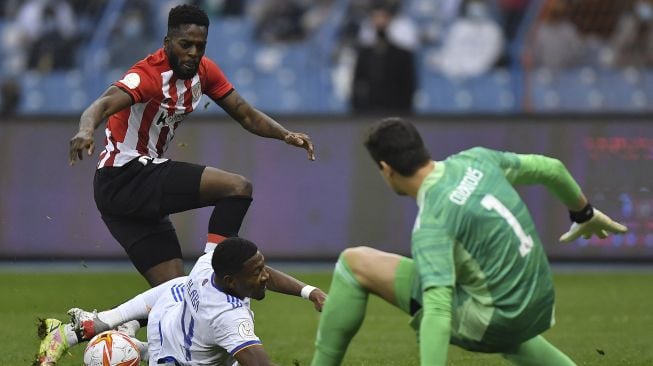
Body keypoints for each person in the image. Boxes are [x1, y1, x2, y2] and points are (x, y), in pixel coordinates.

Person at [310, 117, 628, 366]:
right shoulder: (477, 160)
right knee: (486, 290)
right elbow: (553, 169)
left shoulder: (433, 221)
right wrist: (584, 214)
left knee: (354, 264)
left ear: (386, 169)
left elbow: (437, 311)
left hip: (498, 320)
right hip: (541, 298)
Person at [68, 4, 315, 288]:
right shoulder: (148, 75)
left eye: (200, 46)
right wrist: (86, 130)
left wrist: (284, 134)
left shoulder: (205, 72)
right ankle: (211, 271)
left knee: (175, 294)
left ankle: (88, 327)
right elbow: (101, 104)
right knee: (237, 188)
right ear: (167, 42)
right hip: (125, 174)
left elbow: (245, 114)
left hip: (128, 192)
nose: (193, 53)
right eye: (186, 44)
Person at [35, 237, 327, 365]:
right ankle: (122, 339)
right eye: (257, 272)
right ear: (230, 281)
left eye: (262, 268)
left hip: (169, 313)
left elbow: (259, 270)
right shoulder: (228, 317)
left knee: (177, 286)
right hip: (175, 358)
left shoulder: (209, 264)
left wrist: (309, 291)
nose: (265, 276)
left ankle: (108, 326)